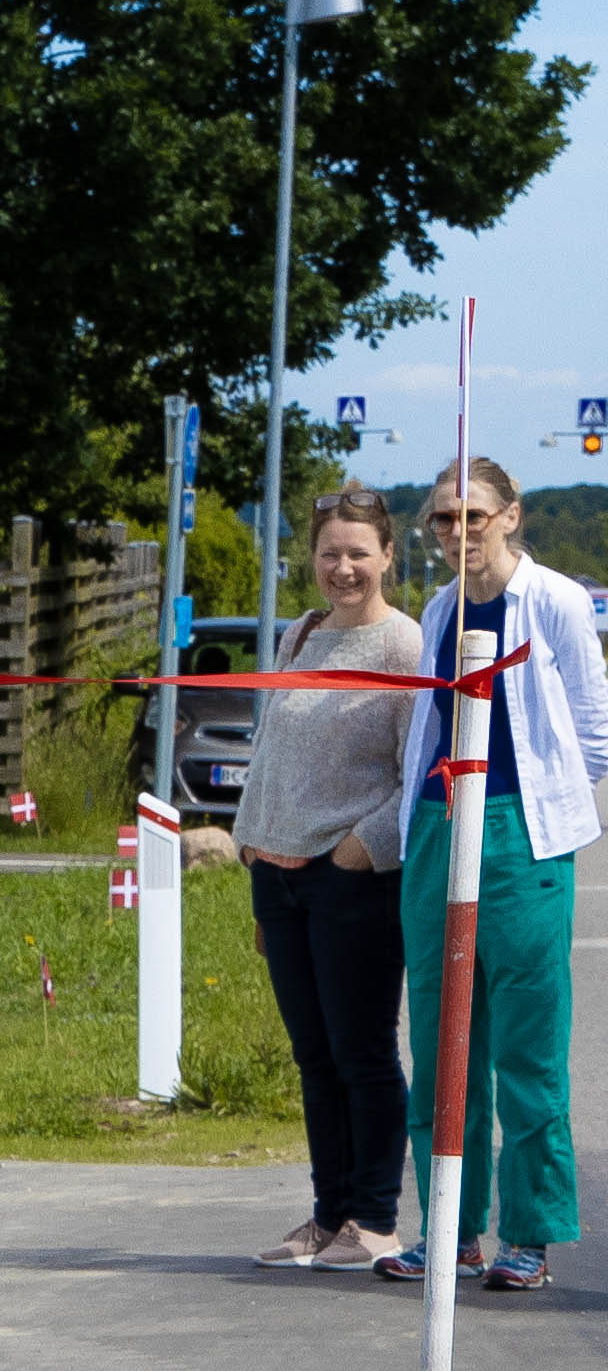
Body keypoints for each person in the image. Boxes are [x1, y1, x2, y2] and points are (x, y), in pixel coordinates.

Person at [387, 455, 603, 1293]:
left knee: (527, 1048)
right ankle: (451, 1228)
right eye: (443, 519)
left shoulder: (556, 602)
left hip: (522, 834)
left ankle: (532, 1234)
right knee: (441, 1041)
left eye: (472, 514)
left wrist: (548, 807)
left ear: (511, 514)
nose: (458, 532)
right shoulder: (440, 608)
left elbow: (592, 730)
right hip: (439, 823)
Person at [227, 487, 424, 1270]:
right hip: (279, 880)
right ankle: (327, 1215)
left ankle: (374, 1219)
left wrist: (358, 849)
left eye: (358, 554)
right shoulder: (300, 633)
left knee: (362, 1052)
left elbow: (418, 777)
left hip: (352, 881)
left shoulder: (404, 647)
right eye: (329, 553)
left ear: (387, 557)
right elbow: (274, 751)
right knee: (314, 1056)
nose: (343, 568)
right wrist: (251, 843)